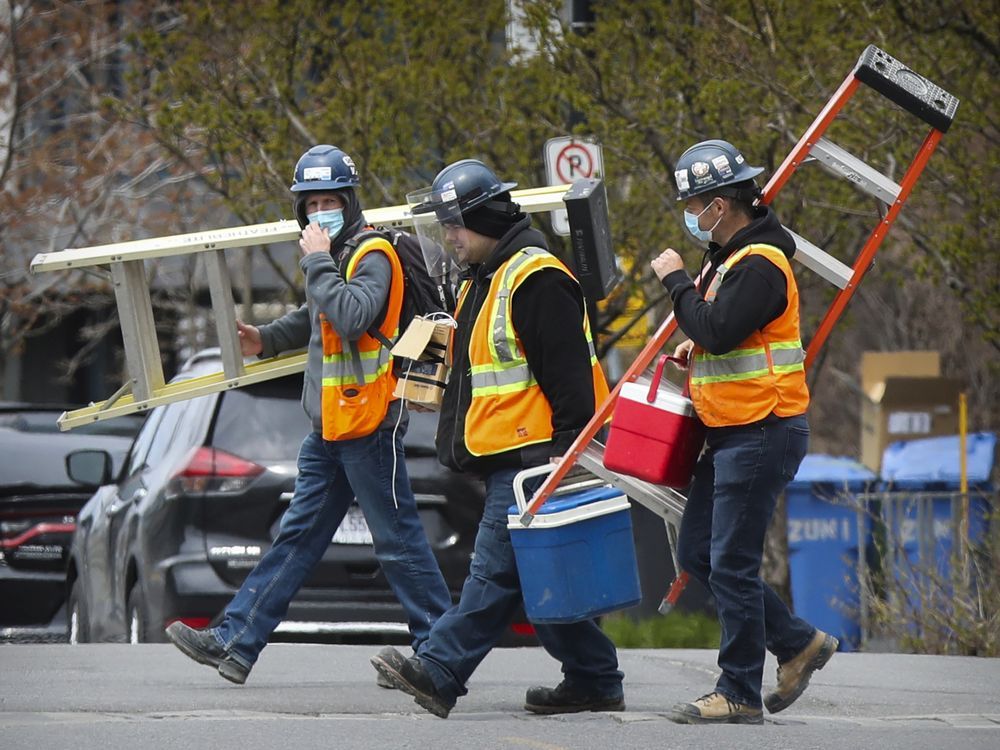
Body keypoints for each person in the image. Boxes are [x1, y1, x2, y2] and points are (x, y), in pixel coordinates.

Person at [165, 144, 451, 684]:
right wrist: (265, 338)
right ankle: (235, 640)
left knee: (397, 540)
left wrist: (316, 258)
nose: (320, 212)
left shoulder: (371, 256)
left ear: (349, 200)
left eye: (329, 201)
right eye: (311, 203)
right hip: (331, 427)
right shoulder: (335, 258)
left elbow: (349, 316)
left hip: (369, 424)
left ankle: (441, 655)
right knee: (297, 538)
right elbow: (314, 315)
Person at [369, 159, 624, 719]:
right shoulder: (486, 277)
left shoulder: (536, 277)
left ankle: (439, 670)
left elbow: (571, 378)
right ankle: (594, 677)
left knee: (492, 572)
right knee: (540, 580)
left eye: (454, 225)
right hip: (510, 453)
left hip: (534, 457)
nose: (450, 238)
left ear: (483, 218)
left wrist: (565, 454)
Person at [650, 139, 838, 724]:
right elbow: (722, 334)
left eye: (695, 203)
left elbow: (721, 328)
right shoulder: (735, 259)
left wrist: (676, 283)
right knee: (700, 551)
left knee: (729, 560)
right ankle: (797, 642)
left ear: (721, 204)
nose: (690, 214)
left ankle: (736, 691)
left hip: (762, 428)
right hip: (734, 429)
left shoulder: (760, 261)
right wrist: (696, 347)